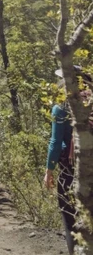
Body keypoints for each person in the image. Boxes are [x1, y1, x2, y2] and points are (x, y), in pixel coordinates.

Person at [45, 66, 91, 255]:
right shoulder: (90, 104)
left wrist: (49, 170)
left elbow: (56, 143)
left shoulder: (61, 107)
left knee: (70, 220)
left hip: (69, 171)